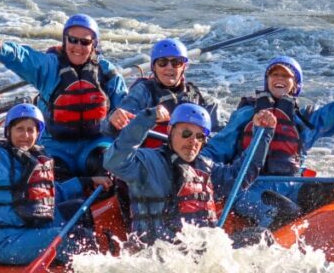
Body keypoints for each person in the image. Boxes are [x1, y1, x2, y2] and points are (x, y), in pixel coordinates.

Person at [203, 48, 334, 228]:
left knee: (332, 192)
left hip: (293, 185)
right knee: (284, 211)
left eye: (286, 76)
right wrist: (195, 167)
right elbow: (217, 148)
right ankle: (260, 236)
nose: (279, 79)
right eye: (274, 74)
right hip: (250, 188)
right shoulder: (246, 115)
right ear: (267, 81)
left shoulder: (305, 119)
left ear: (296, 84)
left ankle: (314, 237)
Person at [0, 87, 109, 265]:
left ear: (38, 134)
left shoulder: (36, 158)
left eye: (31, 130)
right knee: (73, 236)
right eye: (19, 129)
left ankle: (90, 261)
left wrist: (86, 181)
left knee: (78, 209)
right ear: (8, 132)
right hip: (3, 240)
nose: (25, 135)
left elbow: (46, 196)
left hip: (29, 227)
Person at [103, 103, 277, 245]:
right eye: (186, 133)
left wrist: (263, 134)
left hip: (201, 255)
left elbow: (241, 177)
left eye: (200, 136)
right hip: (160, 255)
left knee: (262, 237)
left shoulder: (206, 167)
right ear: (170, 131)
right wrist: (147, 118)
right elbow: (114, 162)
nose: (193, 141)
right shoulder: (146, 162)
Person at [0, 16, 127, 179]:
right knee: (48, 176)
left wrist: (120, 114)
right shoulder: (50, 66)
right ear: (65, 40)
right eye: (73, 40)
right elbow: (23, 58)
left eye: (84, 42)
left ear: (94, 44)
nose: (78, 46)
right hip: (56, 147)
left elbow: (127, 105)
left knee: (108, 169)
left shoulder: (106, 71)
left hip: (96, 143)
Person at [104, 38, 221, 147]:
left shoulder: (198, 97)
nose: (169, 67)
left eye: (176, 62)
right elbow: (112, 128)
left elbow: (215, 138)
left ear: (184, 67)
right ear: (153, 67)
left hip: (187, 156)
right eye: (162, 62)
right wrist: (114, 119)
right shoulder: (142, 92)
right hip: (150, 158)